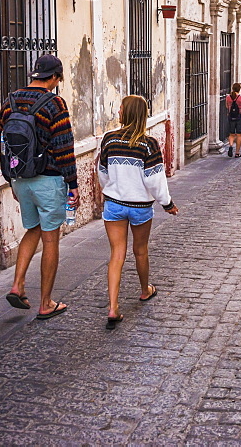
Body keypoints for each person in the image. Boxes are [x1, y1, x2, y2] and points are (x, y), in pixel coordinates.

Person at [0, 54, 78, 320]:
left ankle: (17, 284)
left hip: (21, 179)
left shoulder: (10, 101)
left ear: (35, 74)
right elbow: (64, 146)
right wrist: (73, 184)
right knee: (50, 237)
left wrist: (10, 178)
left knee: (31, 229)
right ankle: (46, 303)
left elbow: (3, 143)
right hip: (48, 179)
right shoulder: (55, 103)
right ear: (55, 77)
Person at [98, 95, 178, 330]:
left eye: (121, 108)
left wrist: (112, 189)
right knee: (140, 251)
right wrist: (167, 203)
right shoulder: (148, 144)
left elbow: (102, 172)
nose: (118, 111)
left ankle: (113, 307)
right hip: (140, 206)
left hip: (114, 203)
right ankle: (145, 290)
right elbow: (155, 180)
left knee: (116, 254)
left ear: (126, 113)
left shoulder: (109, 140)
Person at [225, 83, 241, 157]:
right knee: (239, 135)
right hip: (239, 117)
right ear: (239, 89)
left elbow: (227, 106)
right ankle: (237, 152)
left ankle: (231, 146)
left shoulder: (228, 97)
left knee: (231, 134)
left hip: (231, 117)